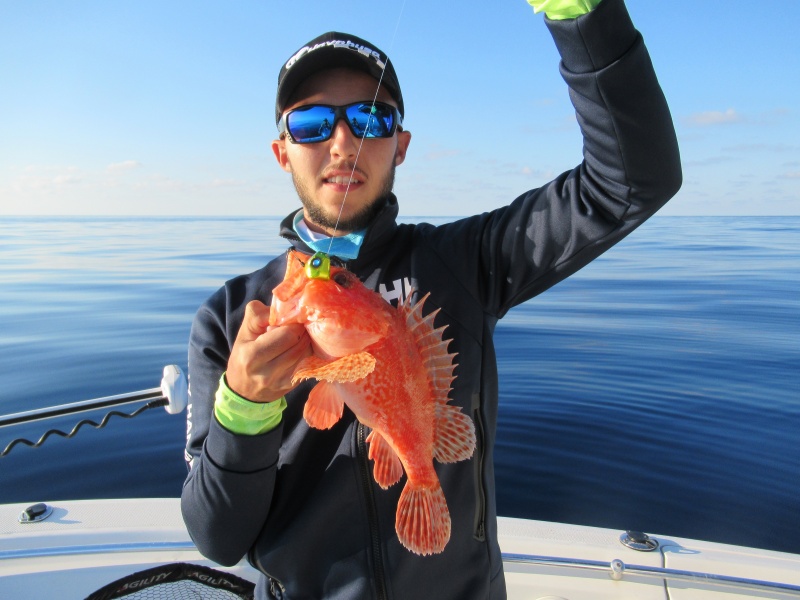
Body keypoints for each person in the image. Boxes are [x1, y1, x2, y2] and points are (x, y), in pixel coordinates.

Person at [181, 0, 682, 598]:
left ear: (402, 144)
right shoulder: (231, 319)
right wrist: (245, 407)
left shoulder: (465, 262)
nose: (343, 143)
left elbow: (634, 180)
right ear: (282, 150)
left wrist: (582, 15)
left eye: (371, 121)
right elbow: (217, 537)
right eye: (312, 123)